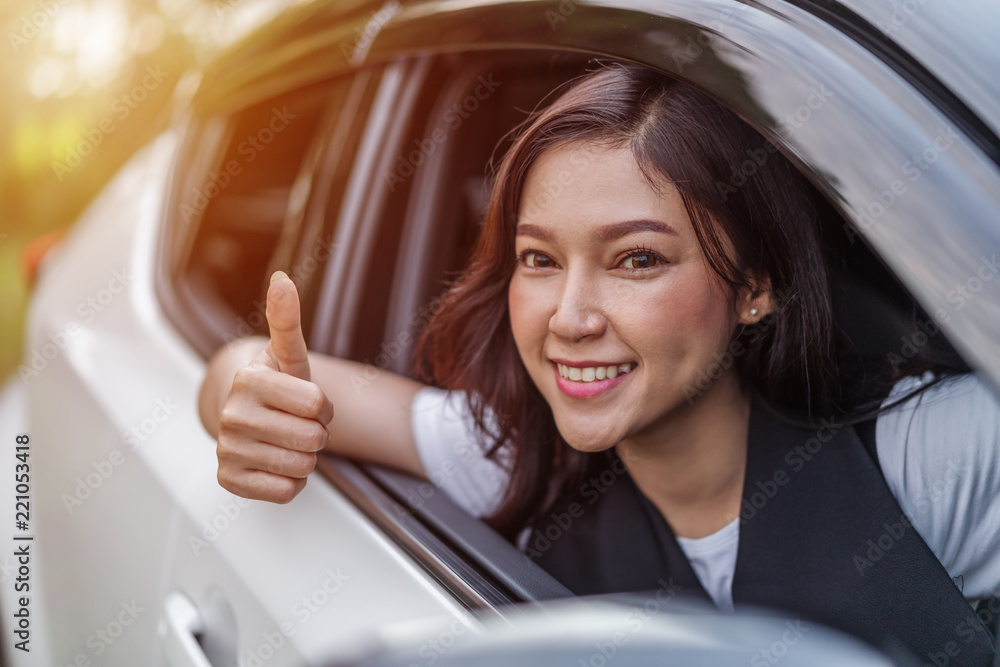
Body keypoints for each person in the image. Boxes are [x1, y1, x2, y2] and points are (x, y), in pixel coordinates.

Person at [199, 63, 1000, 664]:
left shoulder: (922, 454)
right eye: (539, 260)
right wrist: (246, 397)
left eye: (637, 260)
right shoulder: (518, 452)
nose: (571, 319)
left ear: (755, 287)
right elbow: (249, 373)